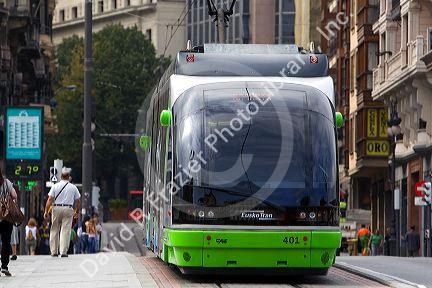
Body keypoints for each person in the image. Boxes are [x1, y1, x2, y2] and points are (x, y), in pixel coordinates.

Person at [43, 167, 81, 257]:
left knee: (54, 229)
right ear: (69, 177)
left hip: (56, 208)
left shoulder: (55, 186)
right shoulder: (73, 187)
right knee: (66, 230)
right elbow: (78, 200)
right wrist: (77, 211)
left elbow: (49, 199)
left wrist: (46, 211)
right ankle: (63, 251)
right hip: (68, 209)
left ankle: (54, 251)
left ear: (61, 177)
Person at [0, 170, 18, 276]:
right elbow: (14, 196)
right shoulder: (7, 182)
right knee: (6, 242)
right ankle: (4, 266)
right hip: (6, 217)